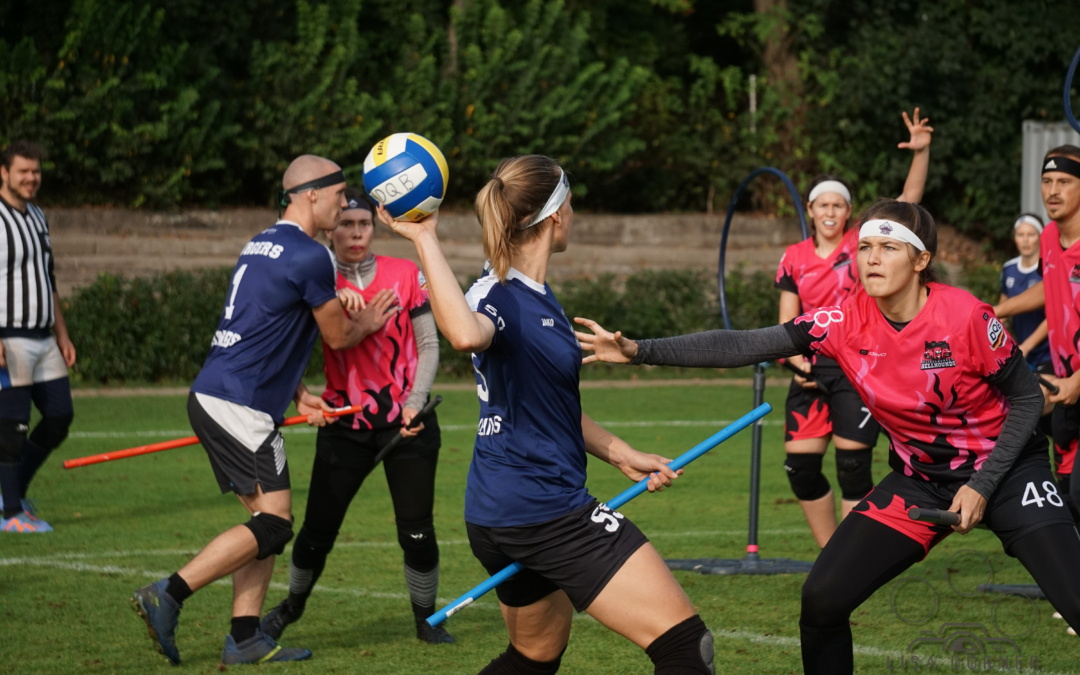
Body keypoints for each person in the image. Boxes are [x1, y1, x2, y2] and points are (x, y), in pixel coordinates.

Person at [578, 198, 1080, 675]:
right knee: (822, 599)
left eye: (888, 248)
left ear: (921, 259)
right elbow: (748, 343)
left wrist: (985, 484)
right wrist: (640, 349)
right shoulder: (841, 321)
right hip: (920, 482)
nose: (871, 259)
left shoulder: (967, 316)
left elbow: (1028, 400)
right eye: (864, 247)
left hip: (1009, 473)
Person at [381, 155, 716, 674]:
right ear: (556, 215)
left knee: (533, 657)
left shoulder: (538, 298)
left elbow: (550, 406)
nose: (575, 215)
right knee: (687, 648)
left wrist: (620, 453)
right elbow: (466, 334)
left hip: (504, 512)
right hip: (543, 512)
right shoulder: (499, 297)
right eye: (573, 205)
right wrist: (424, 238)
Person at [131, 155, 376, 666]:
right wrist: (369, 320)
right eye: (338, 195)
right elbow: (337, 335)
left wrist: (297, 391)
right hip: (238, 404)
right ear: (311, 193)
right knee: (276, 525)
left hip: (225, 394)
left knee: (265, 524)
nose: (344, 203)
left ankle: (245, 637)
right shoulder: (310, 255)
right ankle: (169, 594)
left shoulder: (261, 242)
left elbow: (265, 326)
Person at [260, 188, 456, 645]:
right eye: (345, 224)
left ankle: (425, 619)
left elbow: (429, 345)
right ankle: (290, 608)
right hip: (344, 427)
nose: (355, 233)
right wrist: (302, 398)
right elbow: (285, 349)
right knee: (314, 535)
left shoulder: (405, 274)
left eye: (363, 224)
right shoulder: (315, 280)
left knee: (418, 533)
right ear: (331, 229)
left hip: (409, 424)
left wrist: (415, 400)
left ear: (374, 227)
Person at [776, 109, 933, 547]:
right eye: (822, 204)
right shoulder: (793, 255)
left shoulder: (859, 243)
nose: (830, 211)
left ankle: (852, 556)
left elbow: (909, 202)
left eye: (838, 204)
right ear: (810, 209)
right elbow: (786, 319)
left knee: (852, 468)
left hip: (855, 364)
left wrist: (920, 153)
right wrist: (794, 360)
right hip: (809, 369)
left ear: (848, 211)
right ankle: (832, 554)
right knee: (801, 470)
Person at [993, 146, 1080, 513]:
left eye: (1064, 181)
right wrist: (994, 311)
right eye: (1046, 181)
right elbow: (1051, 286)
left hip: (1074, 382)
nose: (1053, 191)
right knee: (1067, 497)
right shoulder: (1048, 238)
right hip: (1063, 384)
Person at [0, 140, 76, 534]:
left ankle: (10, 491)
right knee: (13, 424)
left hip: (43, 336)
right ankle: (10, 512)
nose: (31, 178)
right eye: (23, 171)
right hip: (7, 336)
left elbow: (49, 280)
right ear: (4, 173)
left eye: (36, 171)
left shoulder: (38, 217)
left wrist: (62, 334)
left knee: (60, 415)